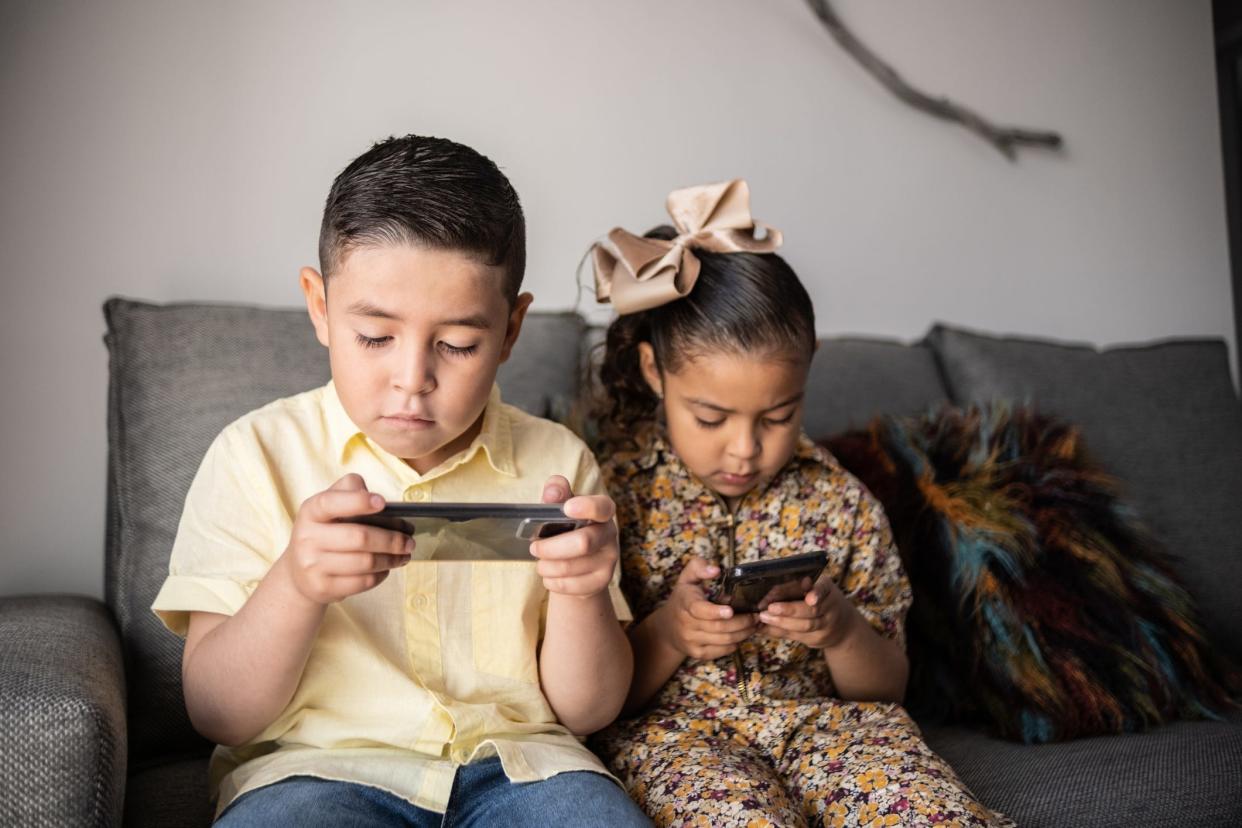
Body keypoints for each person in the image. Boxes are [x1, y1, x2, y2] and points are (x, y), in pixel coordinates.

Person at [152, 134, 650, 827]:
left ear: (510, 332)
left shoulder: (561, 466)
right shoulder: (253, 454)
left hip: (528, 772)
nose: (412, 378)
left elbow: (590, 710)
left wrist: (582, 593)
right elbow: (219, 714)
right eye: (377, 336)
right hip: (314, 772)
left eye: (458, 344)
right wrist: (295, 585)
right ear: (321, 307)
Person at [586, 180, 1013, 827]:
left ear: (807, 372)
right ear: (654, 373)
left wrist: (840, 629)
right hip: (681, 743)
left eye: (778, 416)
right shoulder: (614, 495)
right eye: (710, 417)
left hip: (832, 732)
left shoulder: (840, 503)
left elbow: (886, 689)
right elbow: (595, 698)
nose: (744, 450)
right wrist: (671, 630)